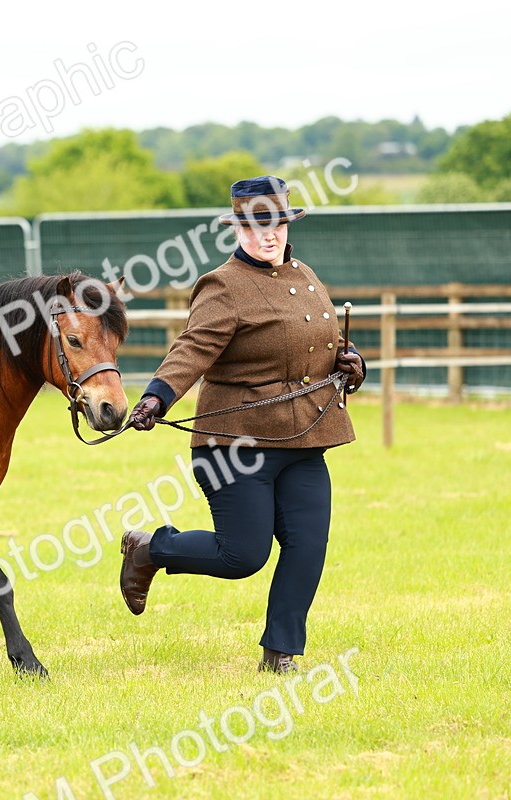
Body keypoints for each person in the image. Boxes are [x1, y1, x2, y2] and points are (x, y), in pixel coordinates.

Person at [120, 176, 366, 674]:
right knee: (243, 556)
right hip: (236, 444)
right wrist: (156, 396)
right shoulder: (224, 286)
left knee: (307, 546)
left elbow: (322, 343)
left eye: (274, 223)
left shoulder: (305, 274)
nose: (267, 235)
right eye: (255, 226)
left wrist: (352, 362)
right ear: (237, 228)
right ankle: (150, 548)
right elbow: (192, 348)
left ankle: (280, 655)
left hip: (304, 438)